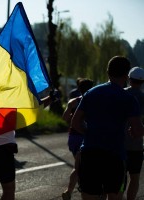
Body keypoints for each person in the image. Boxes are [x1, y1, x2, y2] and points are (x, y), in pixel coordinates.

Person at [71, 56, 144, 200]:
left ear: (107, 72)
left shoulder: (91, 93)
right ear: (125, 75)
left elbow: (75, 122)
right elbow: (137, 131)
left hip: (90, 154)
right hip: (115, 157)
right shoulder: (128, 99)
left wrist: (91, 133)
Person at [0, 90, 59, 200]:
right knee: (9, 191)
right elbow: (32, 107)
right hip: (3, 149)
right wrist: (50, 98)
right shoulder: (8, 96)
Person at [61, 78, 94, 200]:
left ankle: (74, 190)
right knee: (81, 166)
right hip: (84, 137)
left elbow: (65, 118)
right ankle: (70, 191)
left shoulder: (73, 102)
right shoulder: (92, 101)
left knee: (80, 165)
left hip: (73, 137)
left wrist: (73, 116)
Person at [124, 66, 144, 200]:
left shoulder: (121, 94)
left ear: (129, 79)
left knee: (119, 178)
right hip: (136, 145)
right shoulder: (143, 97)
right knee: (135, 178)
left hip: (118, 144)